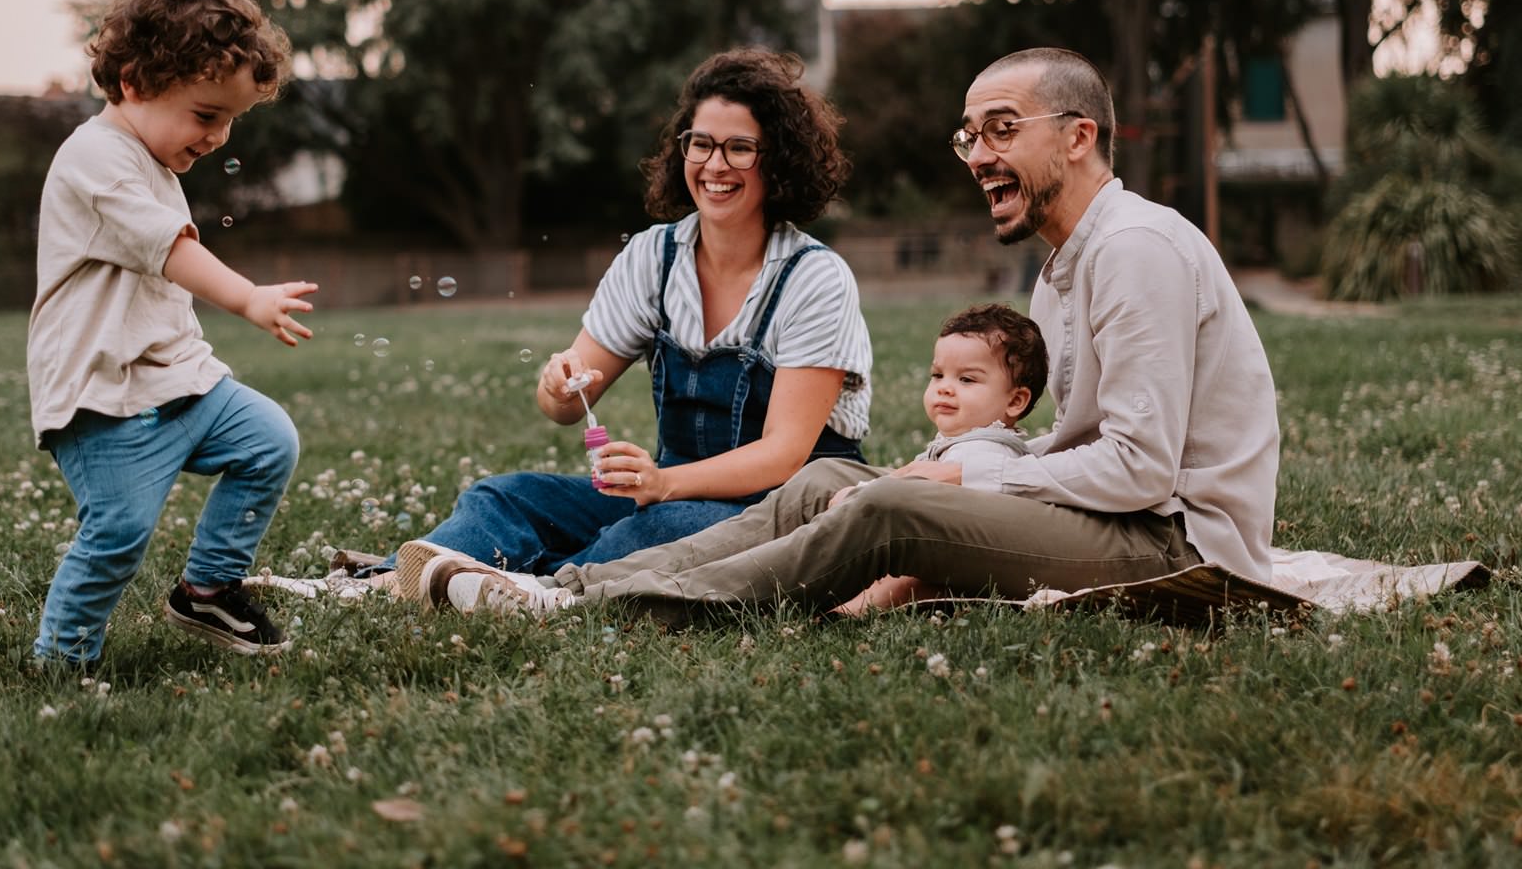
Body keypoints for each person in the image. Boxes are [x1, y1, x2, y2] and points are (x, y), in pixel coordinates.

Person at [403, 47, 1279, 622]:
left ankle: (611, 607)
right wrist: (977, 465)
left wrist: (969, 472)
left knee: (892, 504)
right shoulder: (1061, 269)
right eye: (970, 134)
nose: (977, 154)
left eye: (1003, 130)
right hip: (1114, 519)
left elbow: (1141, 469)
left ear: (1081, 136)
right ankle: (560, 588)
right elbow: (1078, 444)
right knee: (839, 477)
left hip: (1179, 551)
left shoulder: (1133, 250)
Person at [363, 48, 873, 589]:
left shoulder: (813, 278)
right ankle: (386, 585)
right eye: (700, 144)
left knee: (662, 525)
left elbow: (783, 455)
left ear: (779, 161)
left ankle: (529, 587)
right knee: (502, 497)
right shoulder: (654, 258)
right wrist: (558, 386)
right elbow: (564, 403)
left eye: (740, 148)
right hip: (670, 493)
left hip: (781, 515)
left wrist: (664, 482)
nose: (715, 165)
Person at [27, 0, 317, 666]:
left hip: (178, 379)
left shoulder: (150, 157)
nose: (219, 138)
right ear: (134, 82)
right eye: (207, 114)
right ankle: (62, 658)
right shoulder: (94, 158)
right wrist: (247, 296)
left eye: (231, 122)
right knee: (120, 531)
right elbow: (169, 248)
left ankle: (209, 588)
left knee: (269, 439)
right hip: (104, 396)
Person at [828, 303, 1046, 617]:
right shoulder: (959, 444)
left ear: (1015, 401)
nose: (944, 388)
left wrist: (858, 495)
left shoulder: (985, 453)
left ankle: (854, 606)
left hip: (970, 564)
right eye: (938, 375)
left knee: (898, 573)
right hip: (954, 559)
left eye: (967, 380)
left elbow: (916, 499)